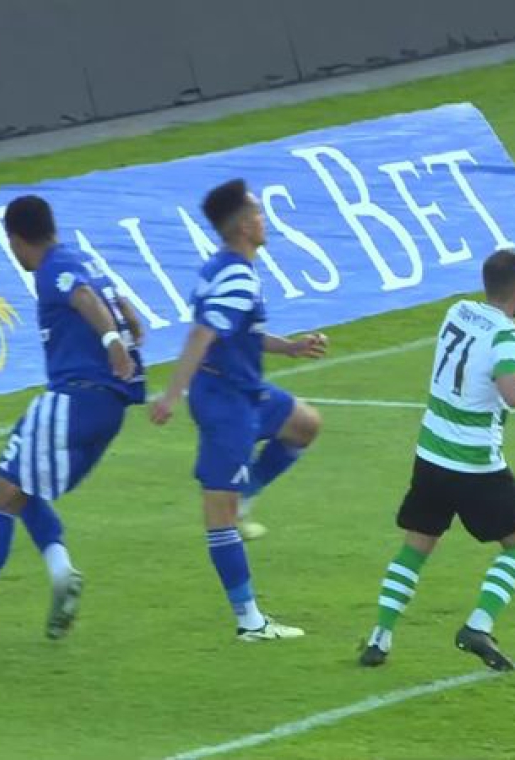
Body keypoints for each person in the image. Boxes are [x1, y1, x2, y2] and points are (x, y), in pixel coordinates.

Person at [358, 248, 515, 671]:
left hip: (430, 456)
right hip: (476, 466)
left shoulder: (460, 312)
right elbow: (514, 390)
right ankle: (478, 625)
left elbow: (511, 343)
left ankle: (379, 638)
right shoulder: (505, 337)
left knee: (416, 547)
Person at [0, 195, 146, 645]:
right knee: (21, 487)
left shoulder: (51, 268)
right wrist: (128, 328)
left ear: (16, 239)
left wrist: (111, 342)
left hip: (75, 398)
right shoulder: (81, 258)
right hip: (109, 408)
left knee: (1, 493)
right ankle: (60, 571)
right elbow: (120, 302)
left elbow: (83, 296)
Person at [150, 179, 325, 641]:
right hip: (224, 403)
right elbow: (201, 334)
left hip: (245, 391)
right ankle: (250, 621)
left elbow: (238, 332)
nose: (266, 221)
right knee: (218, 511)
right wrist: (171, 395)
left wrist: (290, 348)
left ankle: (248, 494)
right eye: (260, 214)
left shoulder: (224, 267)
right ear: (246, 226)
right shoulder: (236, 276)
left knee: (305, 424)